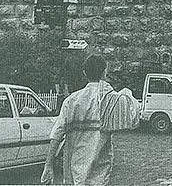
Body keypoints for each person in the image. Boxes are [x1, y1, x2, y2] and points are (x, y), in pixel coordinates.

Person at [41, 55, 139, 185]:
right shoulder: (111, 100)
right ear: (105, 72)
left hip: (74, 173)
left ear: (84, 73)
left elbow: (56, 135)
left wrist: (48, 165)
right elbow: (134, 115)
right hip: (99, 173)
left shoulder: (71, 101)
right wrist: (124, 91)